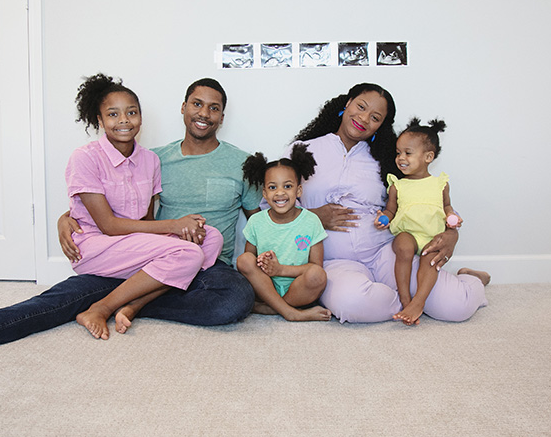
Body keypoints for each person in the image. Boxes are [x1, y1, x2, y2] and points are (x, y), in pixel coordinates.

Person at [0, 77, 259, 361]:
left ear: (222, 116)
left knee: (235, 299)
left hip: (204, 268)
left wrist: (310, 223)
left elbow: (264, 218)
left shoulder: (240, 162)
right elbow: (118, 211)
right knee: (60, 298)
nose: (203, 113)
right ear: (183, 107)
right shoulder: (156, 156)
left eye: (213, 107)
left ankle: (126, 301)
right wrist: (66, 218)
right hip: (134, 253)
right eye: (196, 103)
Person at [287, 83, 490, 324]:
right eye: (360, 107)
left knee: (457, 306)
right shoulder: (303, 150)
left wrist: (451, 234)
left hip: (386, 253)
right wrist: (311, 216)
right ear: (347, 103)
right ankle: (408, 302)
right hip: (334, 260)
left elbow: (425, 198)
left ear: (381, 126)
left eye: (375, 117)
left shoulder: (388, 160)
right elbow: (269, 207)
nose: (363, 118)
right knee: (352, 304)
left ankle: (470, 279)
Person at [64, 74, 222, 340]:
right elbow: (108, 225)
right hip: (97, 245)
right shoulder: (85, 157)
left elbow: (147, 219)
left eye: (131, 112)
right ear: (100, 120)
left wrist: (176, 232)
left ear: (140, 117)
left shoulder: (150, 160)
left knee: (212, 239)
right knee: (188, 254)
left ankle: (135, 304)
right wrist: (174, 225)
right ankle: (100, 308)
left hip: (134, 244)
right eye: (113, 114)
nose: (124, 120)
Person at [374, 117, 463, 326]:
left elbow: (447, 206)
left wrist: (452, 217)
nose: (401, 158)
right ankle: (404, 297)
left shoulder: (439, 184)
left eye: (408, 153)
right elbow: (390, 209)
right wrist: (384, 217)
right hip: (408, 233)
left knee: (430, 258)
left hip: (432, 235)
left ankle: (419, 301)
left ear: (428, 157)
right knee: (403, 247)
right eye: (398, 153)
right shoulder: (397, 185)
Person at [237, 144, 331, 322]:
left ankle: (274, 308)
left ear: (299, 190)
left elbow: (315, 267)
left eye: (287, 186)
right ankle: (291, 312)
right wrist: (262, 261)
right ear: (264, 193)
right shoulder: (256, 221)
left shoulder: (311, 221)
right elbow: (248, 261)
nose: (280, 193)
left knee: (318, 276)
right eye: (273, 188)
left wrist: (280, 269)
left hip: (298, 288)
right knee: (243, 260)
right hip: (265, 289)